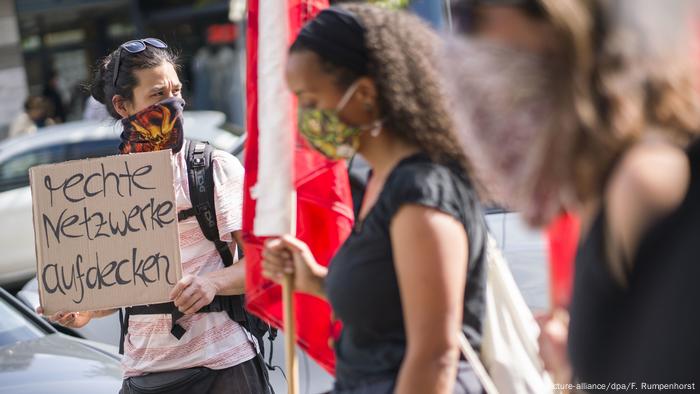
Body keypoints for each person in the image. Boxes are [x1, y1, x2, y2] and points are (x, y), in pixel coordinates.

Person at [442, 0, 700, 386]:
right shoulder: (599, 194)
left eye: (471, 16)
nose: (460, 44)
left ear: (557, 19)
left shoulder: (644, 181)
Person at [262, 5, 487, 393]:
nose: (306, 119)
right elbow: (389, 303)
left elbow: (434, 355)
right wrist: (314, 279)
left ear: (364, 93)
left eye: (311, 102)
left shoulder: (421, 194)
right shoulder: (380, 181)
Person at [38, 38, 270, 394]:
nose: (173, 103)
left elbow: (262, 264)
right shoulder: (103, 187)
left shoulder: (213, 168)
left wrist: (213, 283)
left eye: (176, 91)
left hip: (223, 368)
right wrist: (82, 312)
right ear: (122, 105)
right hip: (144, 375)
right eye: (158, 94)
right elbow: (121, 287)